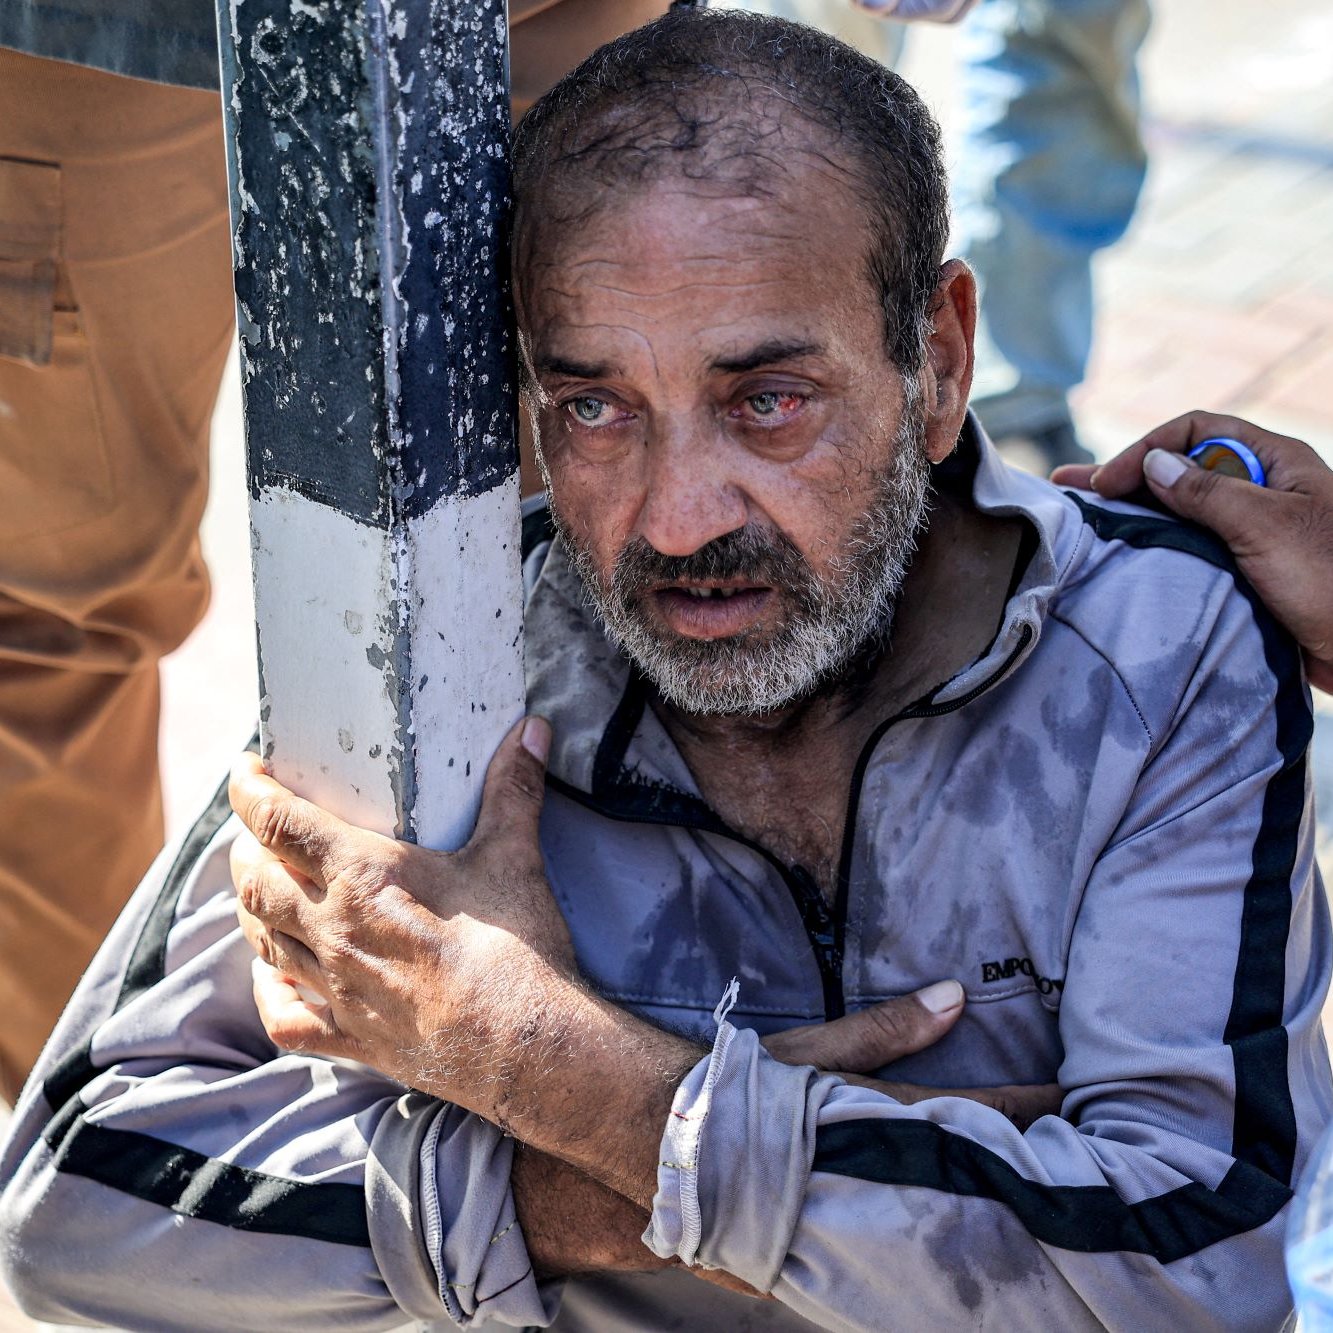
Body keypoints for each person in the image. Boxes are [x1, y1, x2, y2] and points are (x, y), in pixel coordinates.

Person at [2, 11, 1328, 1330]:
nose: (680, 521)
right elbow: (74, 1209)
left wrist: (552, 1069)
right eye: (593, 409)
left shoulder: (1157, 644)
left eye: (768, 402)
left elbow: (1190, 1281)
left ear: (937, 361)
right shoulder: (457, 657)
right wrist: (741, 1155)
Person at [0, 0, 673, 1106]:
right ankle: (118, 1123)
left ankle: (591, 1086)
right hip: (117, 38)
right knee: (48, 624)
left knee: (620, 554)